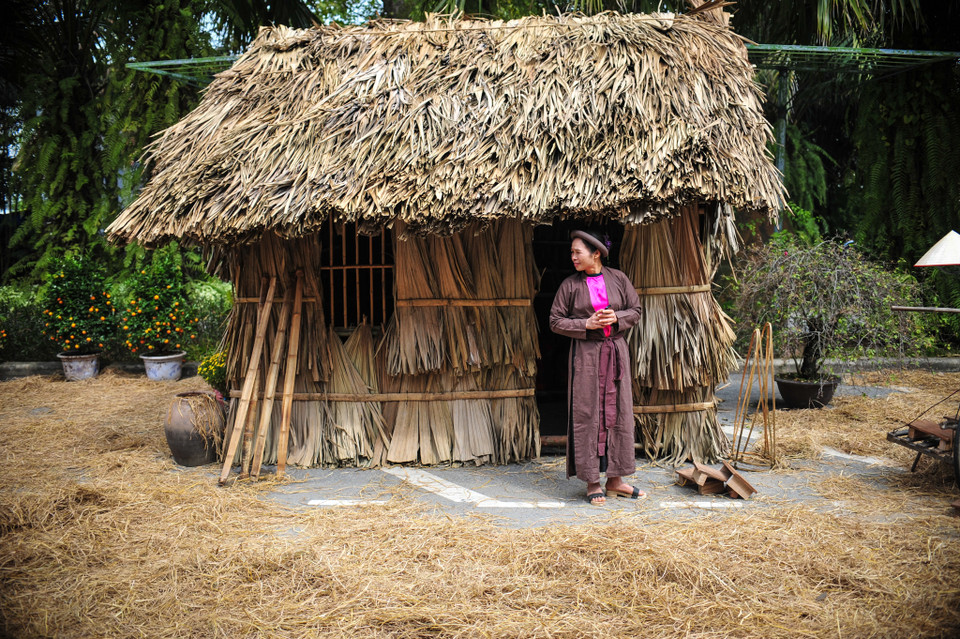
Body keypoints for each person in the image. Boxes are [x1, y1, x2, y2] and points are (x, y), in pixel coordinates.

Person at [549, 230, 645, 504]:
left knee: (619, 413)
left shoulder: (618, 279)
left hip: (615, 353)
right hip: (587, 357)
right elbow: (555, 321)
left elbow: (636, 310)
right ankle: (592, 481)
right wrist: (585, 324)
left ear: (596, 254)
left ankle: (615, 480)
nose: (573, 257)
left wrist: (617, 316)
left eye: (577, 252)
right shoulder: (569, 285)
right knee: (587, 412)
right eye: (571, 252)